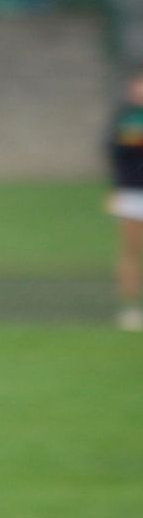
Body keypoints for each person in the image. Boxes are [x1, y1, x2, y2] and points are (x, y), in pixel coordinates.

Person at [108, 66, 143, 332]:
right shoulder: (126, 119)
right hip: (132, 193)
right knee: (131, 250)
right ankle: (130, 307)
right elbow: (116, 153)